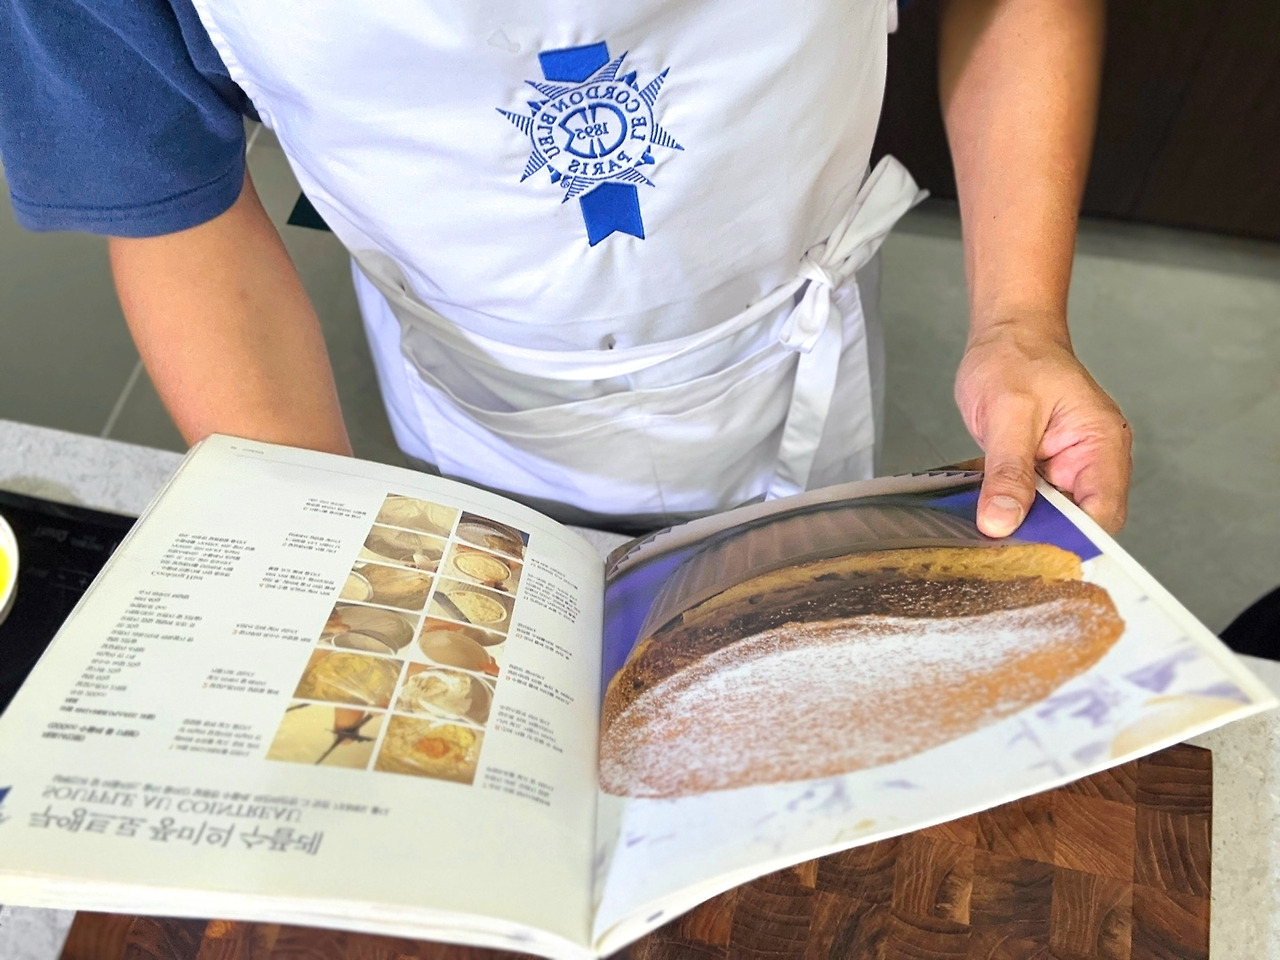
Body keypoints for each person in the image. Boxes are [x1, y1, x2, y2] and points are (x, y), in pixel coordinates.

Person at [0, 0, 1131, 535]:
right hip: (471, 362)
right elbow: (166, 195)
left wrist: (1019, 321)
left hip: (791, 308)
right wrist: (320, 539)